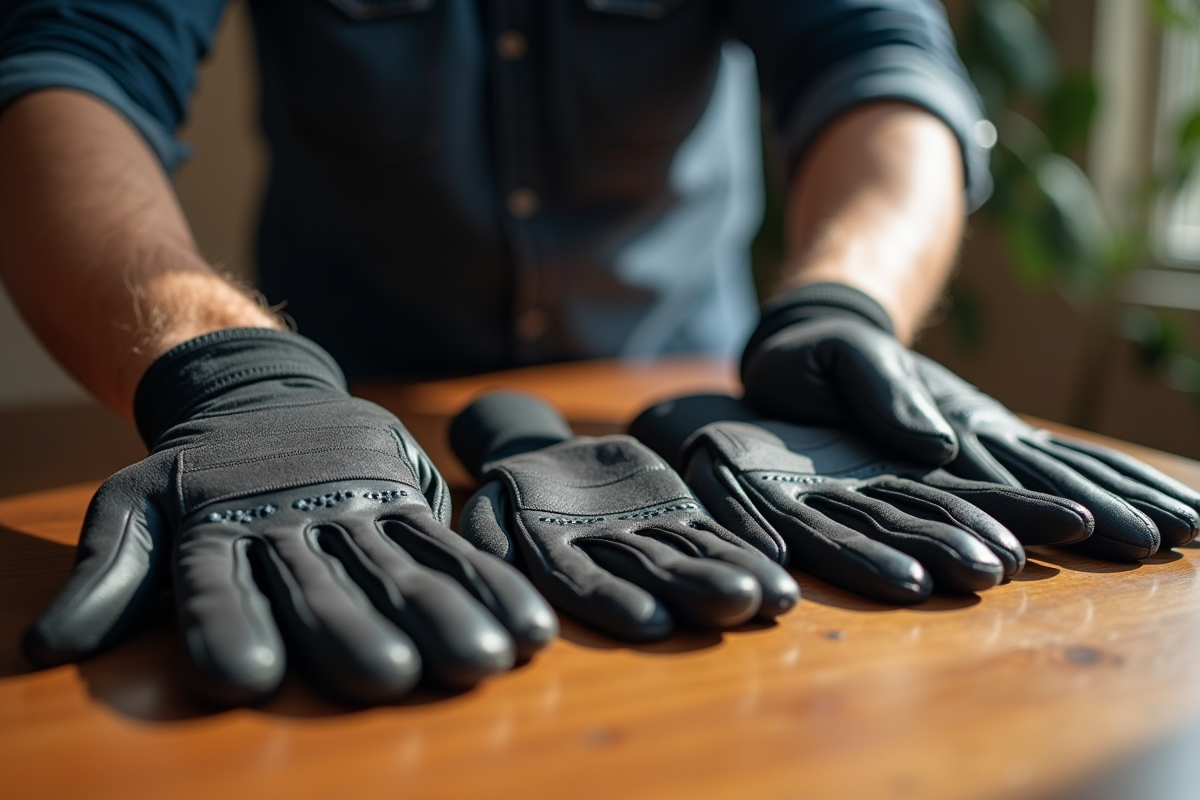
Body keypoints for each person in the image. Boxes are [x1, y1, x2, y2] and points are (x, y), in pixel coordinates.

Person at [2, 1, 1194, 706]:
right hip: (326, 412)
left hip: (699, 426)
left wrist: (844, 304)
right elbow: (68, 63)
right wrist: (232, 376)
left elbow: (879, 63)